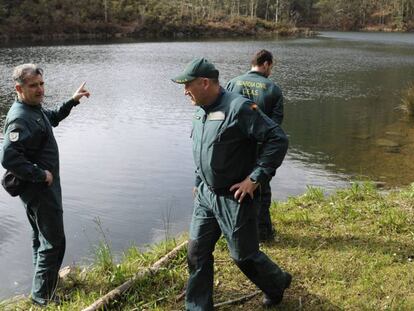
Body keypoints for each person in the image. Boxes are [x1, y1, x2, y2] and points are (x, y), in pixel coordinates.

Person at [172, 58, 291, 310]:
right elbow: (201, 149)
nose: (184, 91)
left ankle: (276, 283)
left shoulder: (239, 108)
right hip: (206, 195)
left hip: (234, 197)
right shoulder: (199, 109)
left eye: (187, 85)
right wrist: (198, 180)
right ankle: (198, 306)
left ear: (204, 83)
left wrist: (256, 178)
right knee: (196, 253)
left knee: (243, 256)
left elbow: (277, 139)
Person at [0, 64, 90, 306]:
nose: (40, 89)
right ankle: (43, 298)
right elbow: (8, 156)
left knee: (41, 239)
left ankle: (45, 285)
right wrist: (41, 175)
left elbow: (51, 119)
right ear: (19, 88)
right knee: (53, 241)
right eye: (33, 86)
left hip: (42, 189)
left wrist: (72, 101)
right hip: (40, 190)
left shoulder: (33, 109)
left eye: (41, 84)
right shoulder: (20, 117)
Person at [226, 49, 284, 241]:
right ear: (266, 64)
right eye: (271, 67)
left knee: (233, 187)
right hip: (259, 149)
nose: (271, 71)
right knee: (261, 189)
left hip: (235, 148)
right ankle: (263, 234)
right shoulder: (273, 89)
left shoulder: (232, 83)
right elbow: (275, 128)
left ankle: (233, 230)